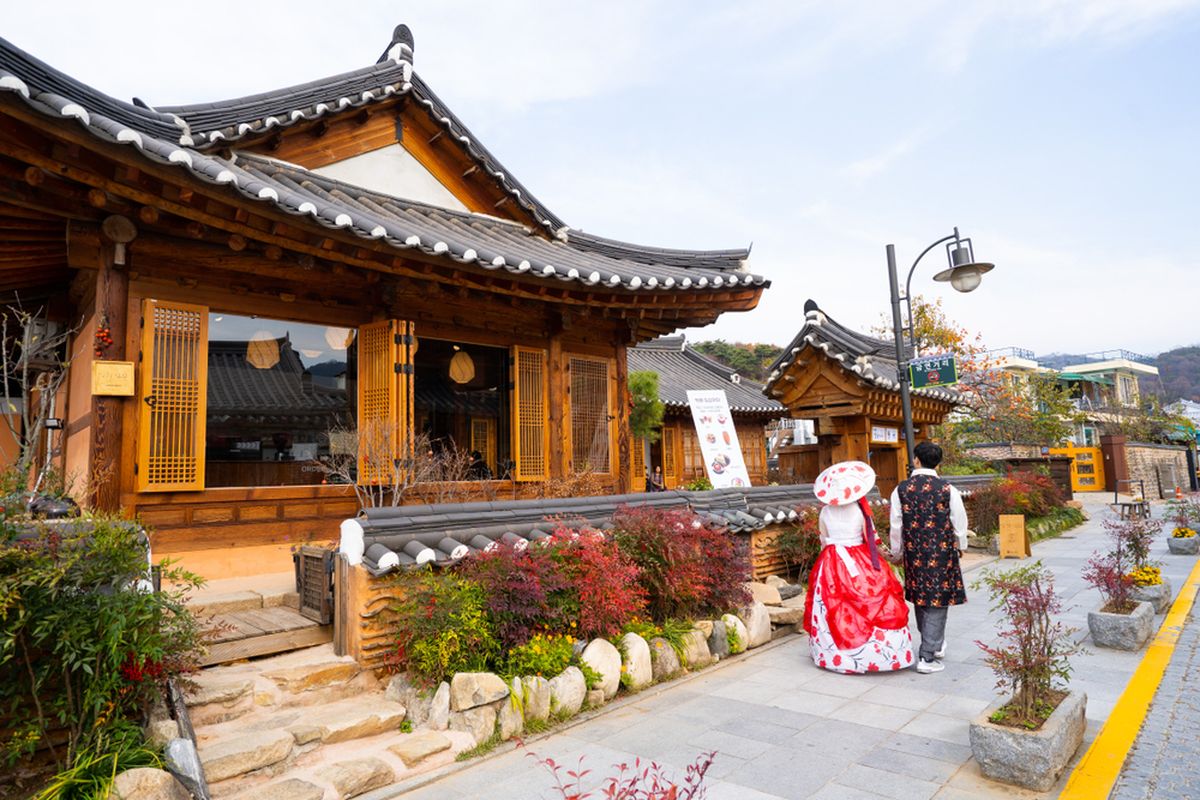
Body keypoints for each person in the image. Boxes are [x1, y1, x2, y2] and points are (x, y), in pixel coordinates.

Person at [803, 461, 913, 673]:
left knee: (832, 602)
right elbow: (873, 539)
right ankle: (880, 655)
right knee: (873, 600)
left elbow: (824, 540)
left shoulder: (825, 511)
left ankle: (834, 654)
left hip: (831, 560)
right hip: (860, 558)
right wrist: (893, 557)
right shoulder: (860, 511)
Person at [888, 440, 969, 675]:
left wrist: (897, 551)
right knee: (938, 599)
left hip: (914, 551)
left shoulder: (900, 489)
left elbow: (896, 524)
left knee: (922, 597)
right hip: (941, 551)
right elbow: (959, 521)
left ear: (916, 460)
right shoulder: (947, 489)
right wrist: (960, 543)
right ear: (939, 462)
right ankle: (927, 655)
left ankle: (934, 642)